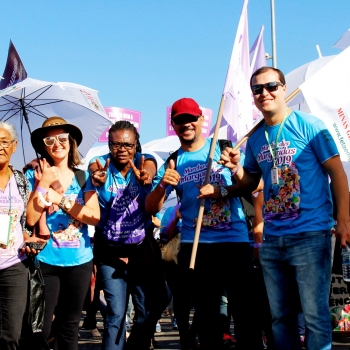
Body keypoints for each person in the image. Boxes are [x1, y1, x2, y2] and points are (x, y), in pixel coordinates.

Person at [219, 66, 350, 350]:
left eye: (271, 86)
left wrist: (343, 219)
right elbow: (251, 182)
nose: (264, 93)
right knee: (280, 318)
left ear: (283, 88)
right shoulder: (255, 139)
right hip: (273, 238)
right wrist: (236, 168)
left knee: (314, 317)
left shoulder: (309, 125)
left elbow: (337, 173)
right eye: (257, 89)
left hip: (311, 235)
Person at [145, 97, 263, 350]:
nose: (186, 124)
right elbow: (151, 207)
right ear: (173, 125)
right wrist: (164, 183)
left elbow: (255, 185)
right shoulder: (174, 160)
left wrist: (228, 181)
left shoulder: (223, 148)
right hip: (196, 244)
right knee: (207, 318)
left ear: (201, 120)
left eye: (191, 118)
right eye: (180, 120)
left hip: (234, 241)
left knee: (245, 313)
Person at [89, 120, 168, 350]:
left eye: (127, 144)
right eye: (115, 144)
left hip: (141, 251)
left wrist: (149, 175)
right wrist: (97, 178)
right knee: (115, 315)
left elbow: (151, 165)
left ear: (136, 145)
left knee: (147, 310)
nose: (122, 149)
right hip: (109, 253)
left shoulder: (144, 163)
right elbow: (95, 171)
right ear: (109, 144)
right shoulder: (101, 166)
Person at [25, 116, 100, 350]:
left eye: (62, 138)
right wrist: (42, 184)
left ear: (71, 141)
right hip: (45, 260)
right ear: (43, 145)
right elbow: (30, 218)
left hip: (79, 262)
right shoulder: (33, 175)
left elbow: (94, 216)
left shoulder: (83, 177)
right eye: (50, 140)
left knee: (69, 329)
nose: (57, 143)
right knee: (40, 330)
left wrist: (61, 200)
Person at [0, 121, 45, 349]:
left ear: (14, 146)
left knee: (11, 334)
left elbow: (28, 221)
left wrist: (29, 238)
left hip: (14, 264)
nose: (0, 147)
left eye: (4, 142)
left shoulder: (21, 180)